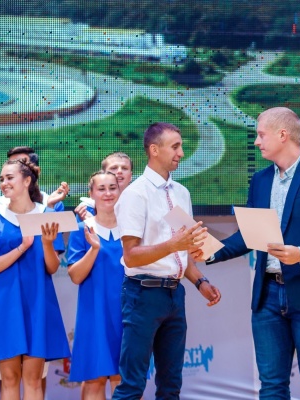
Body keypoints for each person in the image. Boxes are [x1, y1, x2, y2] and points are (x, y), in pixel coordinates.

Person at [206, 107, 300, 399]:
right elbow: (251, 235)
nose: (256, 142)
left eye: (261, 135)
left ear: (282, 134)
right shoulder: (261, 180)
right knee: (272, 387)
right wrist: (210, 251)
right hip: (268, 297)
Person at [112, 122, 221, 400]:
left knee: (171, 385)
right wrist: (174, 245)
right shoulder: (135, 194)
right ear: (154, 149)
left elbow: (182, 252)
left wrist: (200, 281)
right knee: (132, 385)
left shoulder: (181, 193)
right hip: (142, 294)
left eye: (180, 146)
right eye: (175, 147)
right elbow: (131, 255)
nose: (181, 153)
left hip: (175, 294)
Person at [0, 159, 70, 400]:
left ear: (27, 180)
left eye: (10, 177)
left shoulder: (46, 214)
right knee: (9, 379)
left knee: (33, 379)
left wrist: (47, 244)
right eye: (2, 179)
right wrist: (22, 247)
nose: (4, 183)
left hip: (37, 302)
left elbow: (52, 267)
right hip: (6, 303)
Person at [67, 171, 125, 399]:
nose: (108, 193)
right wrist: (94, 249)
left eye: (112, 188)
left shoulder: (132, 228)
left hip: (127, 313)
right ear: (91, 194)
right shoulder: (83, 229)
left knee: (125, 380)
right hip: (94, 315)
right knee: (94, 381)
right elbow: (75, 276)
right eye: (101, 189)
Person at [0, 145, 69, 212]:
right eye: (11, 163)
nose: (14, 168)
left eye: (22, 164)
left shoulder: (53, 203)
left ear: (37, 171)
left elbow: (55, 233)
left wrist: (50, 207)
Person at [74, 152, 133, 221]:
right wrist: (89, 223)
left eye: (124, 168)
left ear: (130, 176)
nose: (119, 171)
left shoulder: (139, 204)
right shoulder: (86, 209)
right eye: (114, 168)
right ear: (103, 173)